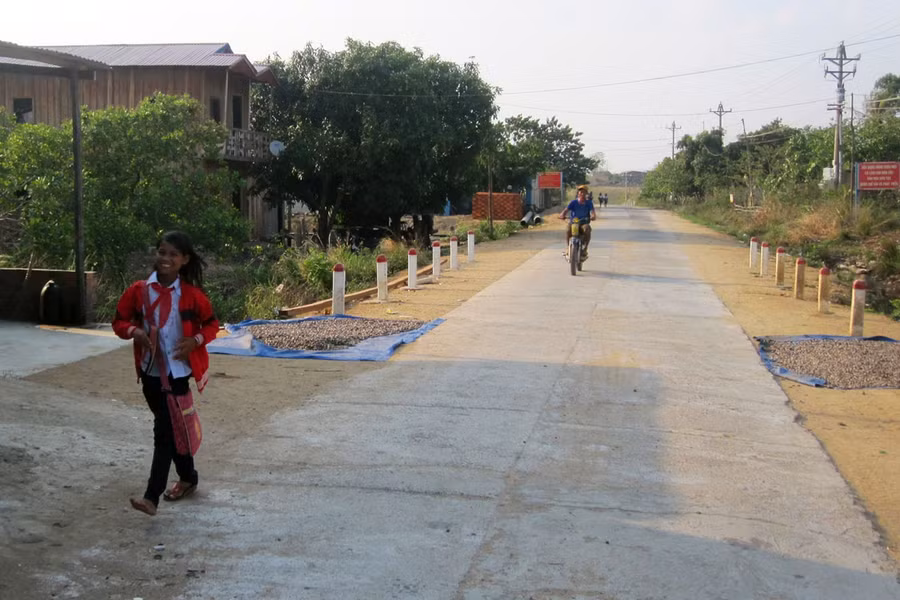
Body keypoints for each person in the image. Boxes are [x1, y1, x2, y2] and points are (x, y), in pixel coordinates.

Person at [113, 231, 219, 516]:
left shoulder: (192, 296)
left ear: (184, 260)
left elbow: (211, 325)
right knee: (174, 430)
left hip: (178, 374)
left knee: (165, 432)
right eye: (162, 252)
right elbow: (119, 321)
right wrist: (135, 332)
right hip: (150, 373)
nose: (166, 259)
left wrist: (194, 341)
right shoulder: (138, 291)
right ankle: (188, 478)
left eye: (173, 254)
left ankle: (152, 496)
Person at [559, 185, 596, 258]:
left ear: (586, 194)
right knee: (568, 229)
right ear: (578, 193)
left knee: (587, 229)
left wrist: (593, 216)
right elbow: (566, 210)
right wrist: (562, 215)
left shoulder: (589, 203)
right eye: (581, 192)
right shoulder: (573, 202)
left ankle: (585, 248)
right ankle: (568, 248)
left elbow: (592, 212)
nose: (582, 193)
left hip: (583, 223)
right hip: (573, 223)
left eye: (584, 192)